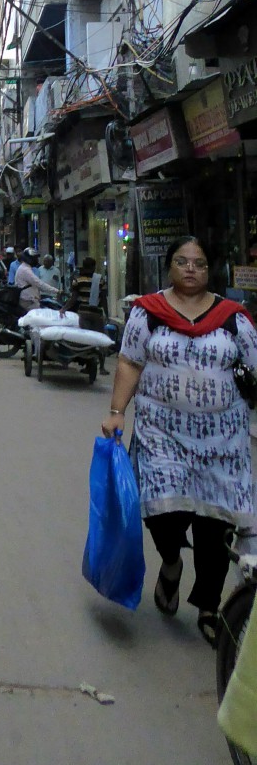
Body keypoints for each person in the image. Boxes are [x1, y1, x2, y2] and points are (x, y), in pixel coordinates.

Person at [102, 236, 257, 647]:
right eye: (182, 261)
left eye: (200, 263)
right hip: (161, 436)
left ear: (211, 270)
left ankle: (208, 607)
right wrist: (117, 411)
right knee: (161, 515)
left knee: (214, 525)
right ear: (169, 267)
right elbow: (130, 360)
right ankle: (171, 563)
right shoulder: (147, 313)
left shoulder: (233, 318)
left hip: (223, 442)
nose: (191, 269)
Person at [14, 247, 50, 313]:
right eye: (34, 258)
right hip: (28, 301)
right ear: (29, 259)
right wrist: (57, 291)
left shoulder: (27, 268)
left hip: (31, 299)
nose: (36, 260)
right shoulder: (25, 270)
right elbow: (39, 283)